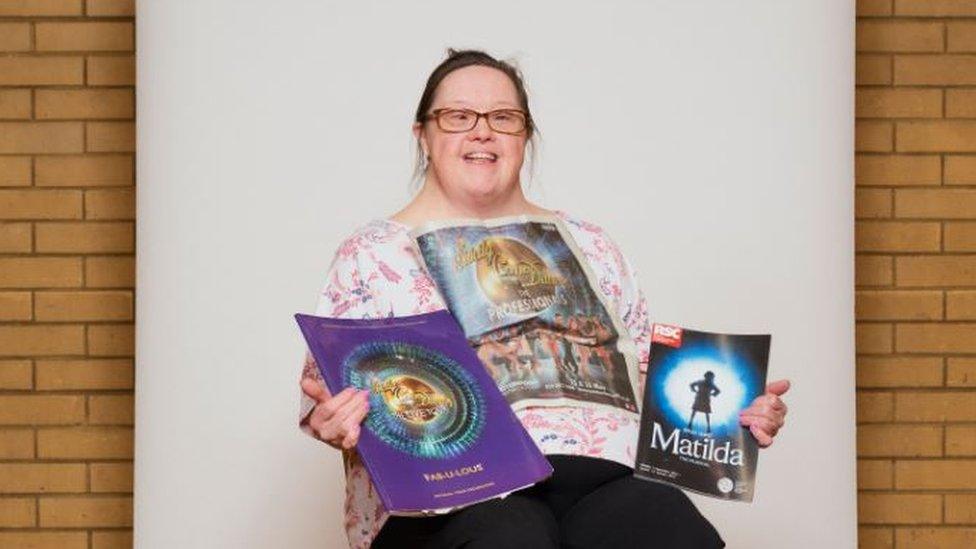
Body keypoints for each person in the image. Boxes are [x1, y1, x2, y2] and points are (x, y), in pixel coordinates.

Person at [298, 48, 790, 549]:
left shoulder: (591, 243)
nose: (482, 131)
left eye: (503, 118)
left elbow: (646, 375)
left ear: (525, 136)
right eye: (458, 117)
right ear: (423, 134)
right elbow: (326, 401)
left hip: (603, 483)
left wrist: (736, 412)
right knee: (512, 536)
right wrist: (330, 420)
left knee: (664, 520)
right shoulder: (372, 253)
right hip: (456, 502)